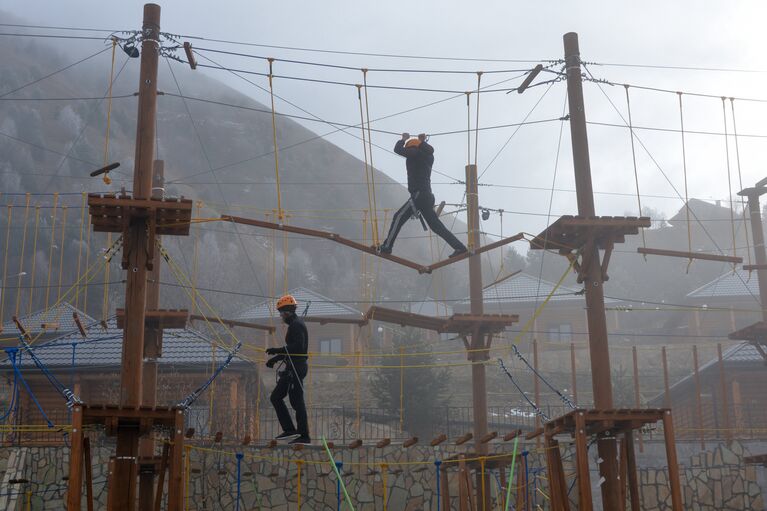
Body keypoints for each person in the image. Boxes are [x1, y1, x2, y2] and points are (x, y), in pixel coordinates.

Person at [377, 133, 468, 257]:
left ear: (413, 147)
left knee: (398, 217)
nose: (407, 152)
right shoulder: (428, 156)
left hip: (419, 195)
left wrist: (403, 139)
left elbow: (398, 149)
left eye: (409, 148)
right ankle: (460, 247)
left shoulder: (415, 153)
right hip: (427, 196)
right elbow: (421, 148)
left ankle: (387, 247)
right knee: (436, 226)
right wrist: (421, 141)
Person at [265, 294, 310, 445]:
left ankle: (304, 435)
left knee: (296, 402)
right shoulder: (295, 324)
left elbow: (298, 347)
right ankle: (290, 429)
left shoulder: (297, 325)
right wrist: (276, 358)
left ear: (287, 312)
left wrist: (277, 350)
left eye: (281, 313)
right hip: (293, 366)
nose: (280, 316)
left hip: (297, 368)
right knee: (277, 397)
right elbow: (293, 350)